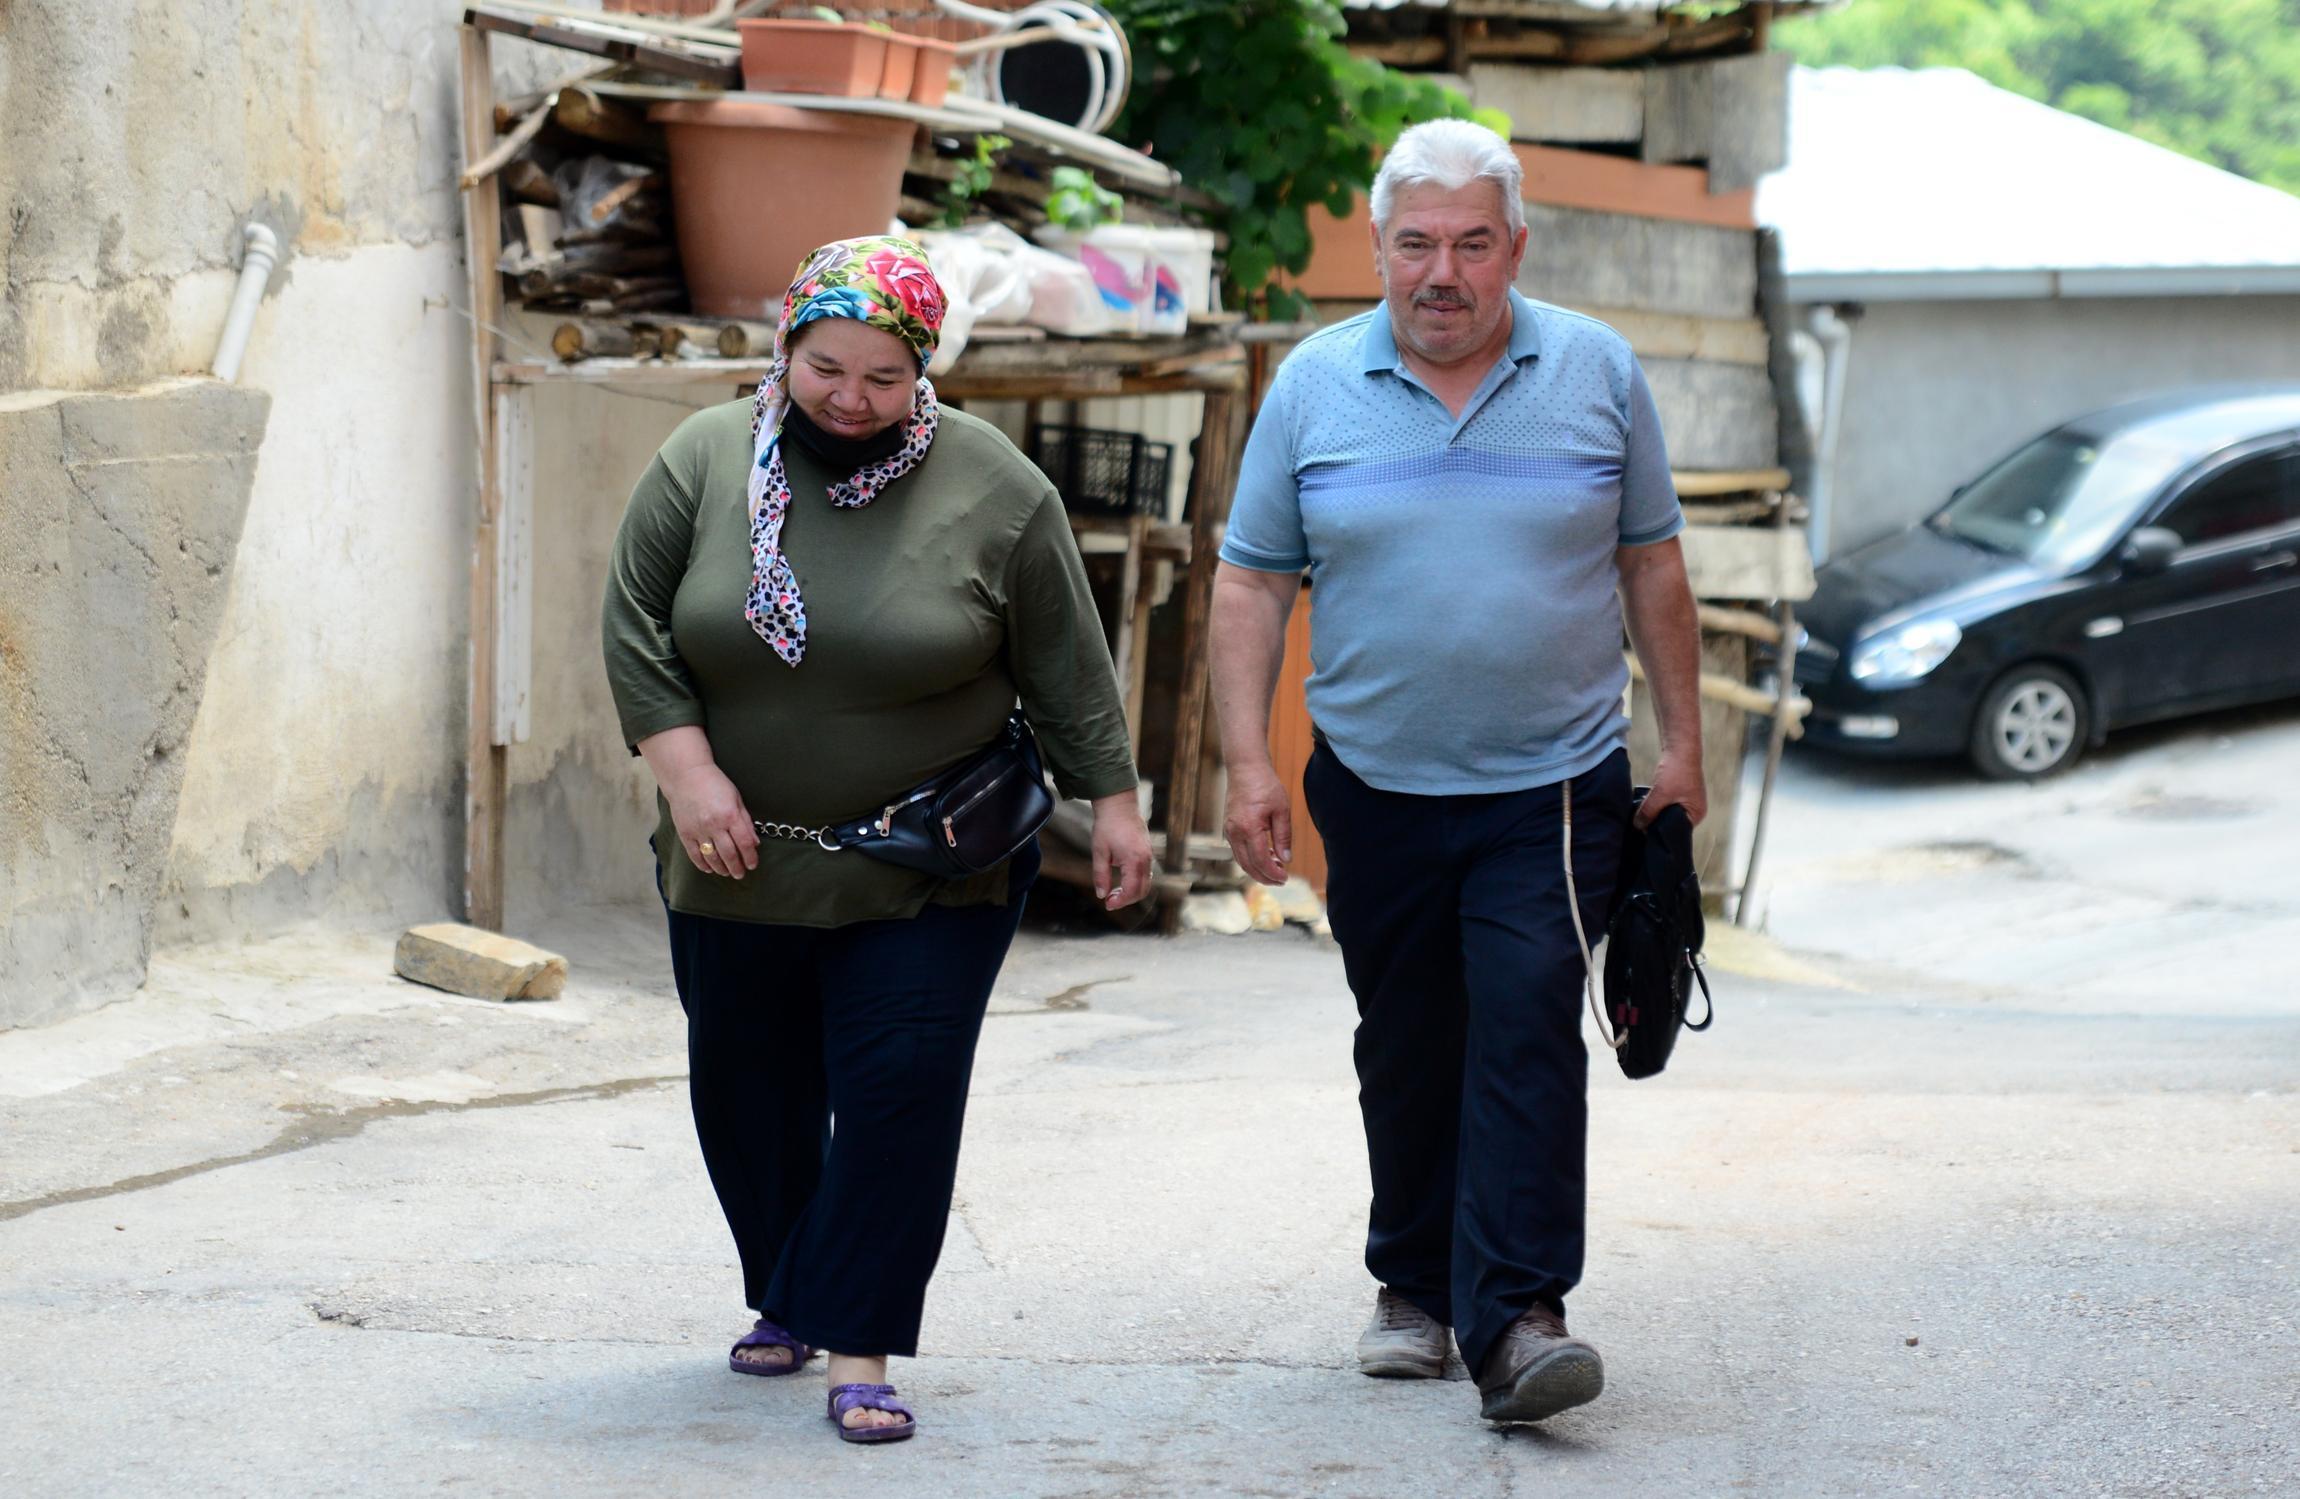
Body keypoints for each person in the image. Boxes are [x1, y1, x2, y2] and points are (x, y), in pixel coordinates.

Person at [602, 236, 1151, 1444]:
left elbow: (1065, 661)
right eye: (826, 367)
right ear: (785, 348)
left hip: (929, 862)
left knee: (898, 1090)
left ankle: (859, 1342)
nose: (851, 397)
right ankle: (790, 1285)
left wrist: (1111, 801)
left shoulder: (995, 486)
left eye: (883, 376)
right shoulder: (703, 458)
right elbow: (636, 623)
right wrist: (688, 775)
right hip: (737, 855)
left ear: (923, 371)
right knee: (747, 1093)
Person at [1209, 121, 1705, 1426]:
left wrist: (1682, 743)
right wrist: (1248, 761)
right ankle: (1414, 1284)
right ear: (1378, 248)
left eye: (1472, 243)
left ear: (1515, 250)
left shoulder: (1594, 369)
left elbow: (1651, 560)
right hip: (1373, 782)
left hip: (1552, 783)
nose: (1443, 272)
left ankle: (1520, 1316)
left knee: (1527, 1018)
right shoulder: (1314, 385)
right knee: (1409, 1037)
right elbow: (1252, 579)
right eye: (1416, 244)